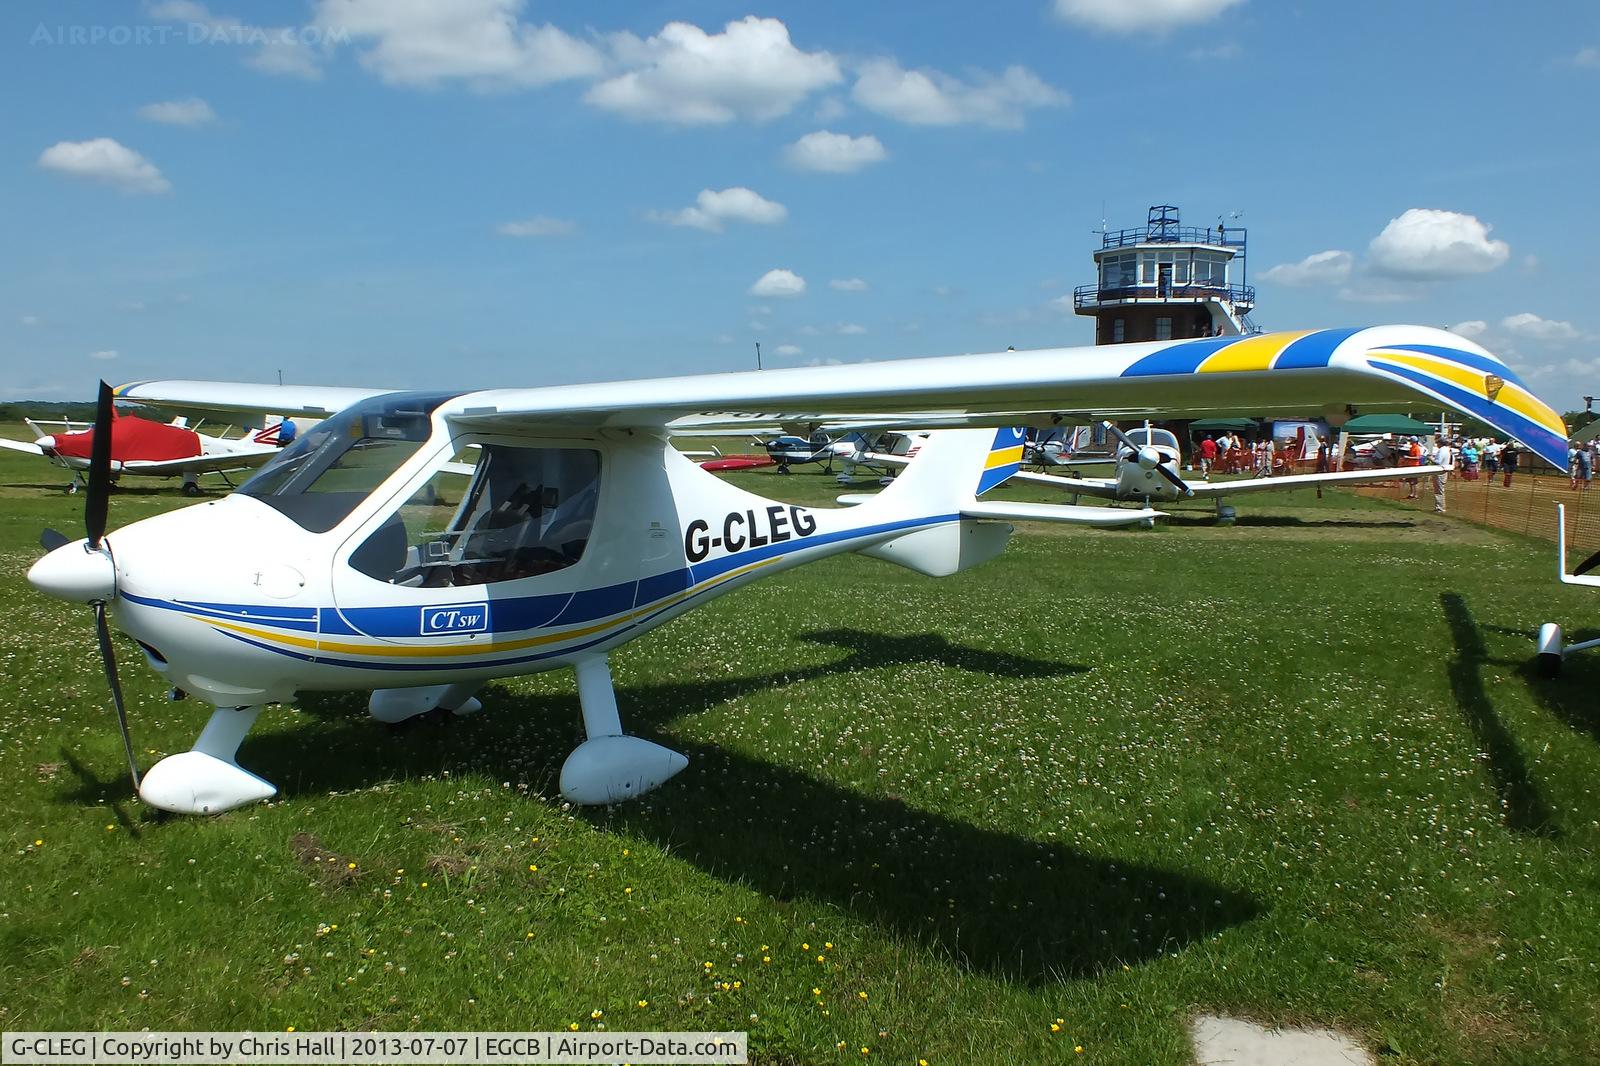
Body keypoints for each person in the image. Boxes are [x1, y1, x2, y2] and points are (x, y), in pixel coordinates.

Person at [1431, 437, 1455, 514]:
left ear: (1440, 443)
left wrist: (1430, 458)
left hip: (1439, 471)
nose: (1437, 444)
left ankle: (1440, 508)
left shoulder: (1441, 450)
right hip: (1444, 470)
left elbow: (1438, 461)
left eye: (1438, 443)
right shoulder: (1447, 450)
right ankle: (1440, 506)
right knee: (1440, 489)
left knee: (1438, 490)